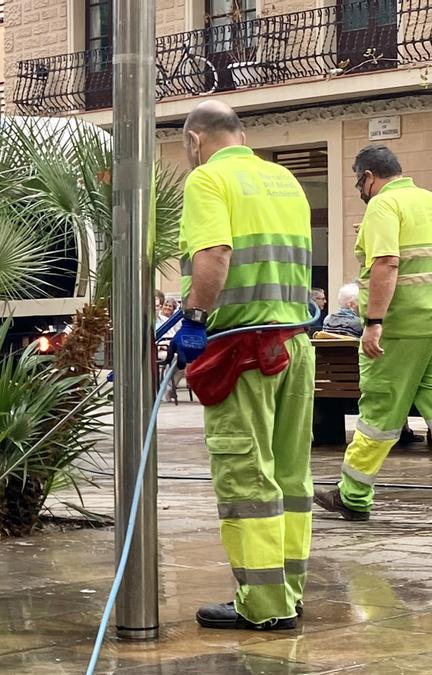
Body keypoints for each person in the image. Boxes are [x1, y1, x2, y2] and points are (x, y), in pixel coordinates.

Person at [172, 100, 314, 631]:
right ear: (242, 134)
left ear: (194, 141)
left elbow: (214, 255)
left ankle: (263, 605)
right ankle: (289, 593)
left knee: (246, 477)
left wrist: (194, 317)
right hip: (295, 346)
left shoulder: (208, 180)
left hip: (243, 351)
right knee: (290, 477)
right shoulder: (285, 180)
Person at [316, 145, 432, 521]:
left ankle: (352, 495)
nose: (359, 190)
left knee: (379, 414)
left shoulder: (384, 206)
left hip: (399, 327)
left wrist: (374, 322)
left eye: (358, 182)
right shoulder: (426, 201)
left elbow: (386, 263)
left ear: (369, 176)